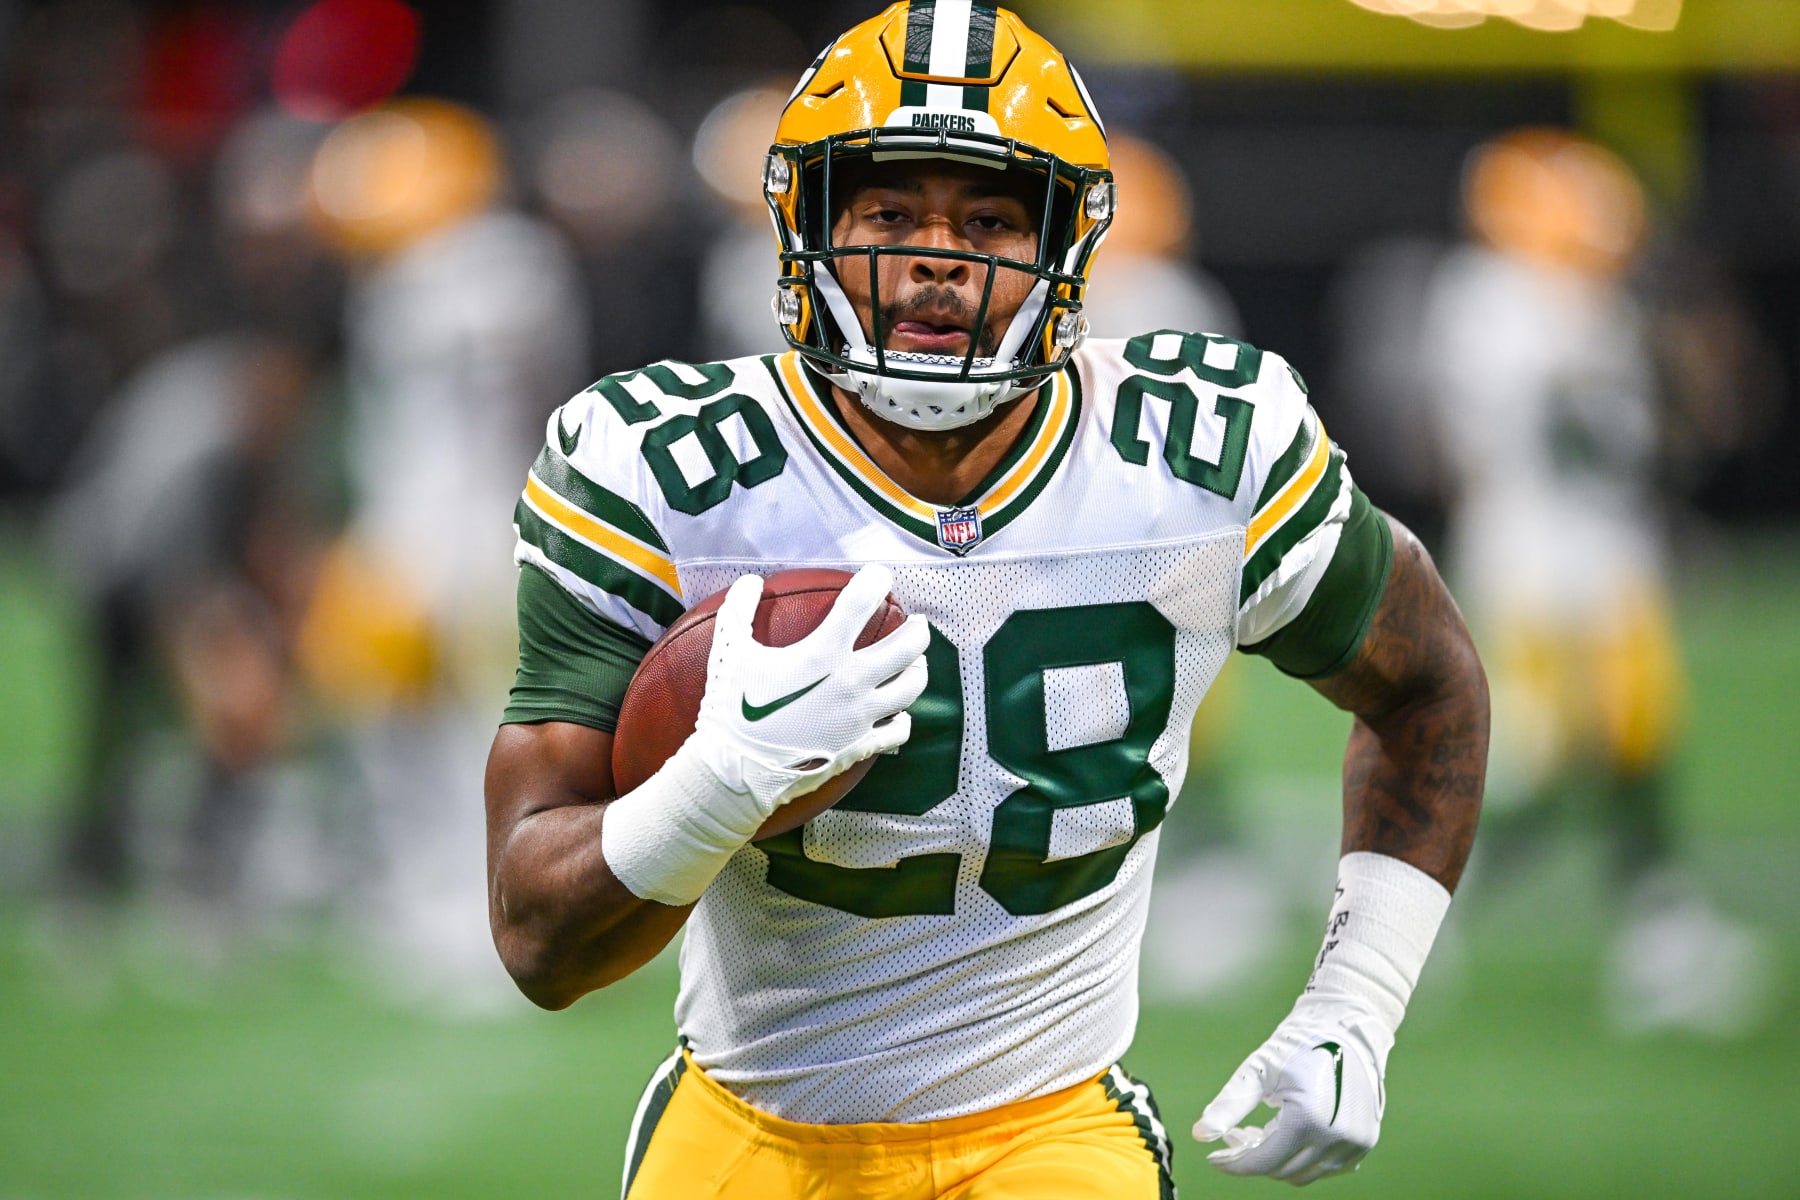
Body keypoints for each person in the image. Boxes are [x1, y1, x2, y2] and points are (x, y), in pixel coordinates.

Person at [486, 5, 1487, 1196]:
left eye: (993, 219)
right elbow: (537, 940)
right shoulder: (666, 476)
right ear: (809, 222)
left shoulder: (1199, 457)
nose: (938, 259)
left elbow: (1431, 685)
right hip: (751, 1129)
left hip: (1051, 1132)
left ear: (1067, 245)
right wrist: (717, 785)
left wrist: (1356, 1005)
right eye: (892, 211)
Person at [1420, 128, 1768, 1036]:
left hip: (1590, 554)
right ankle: (1411, 915)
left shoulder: (1545, 300)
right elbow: (1576, 436)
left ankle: (1664, 931)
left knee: (1632, 746)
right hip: (1545, 560)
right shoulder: (1507, 301)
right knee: (1558, 760)